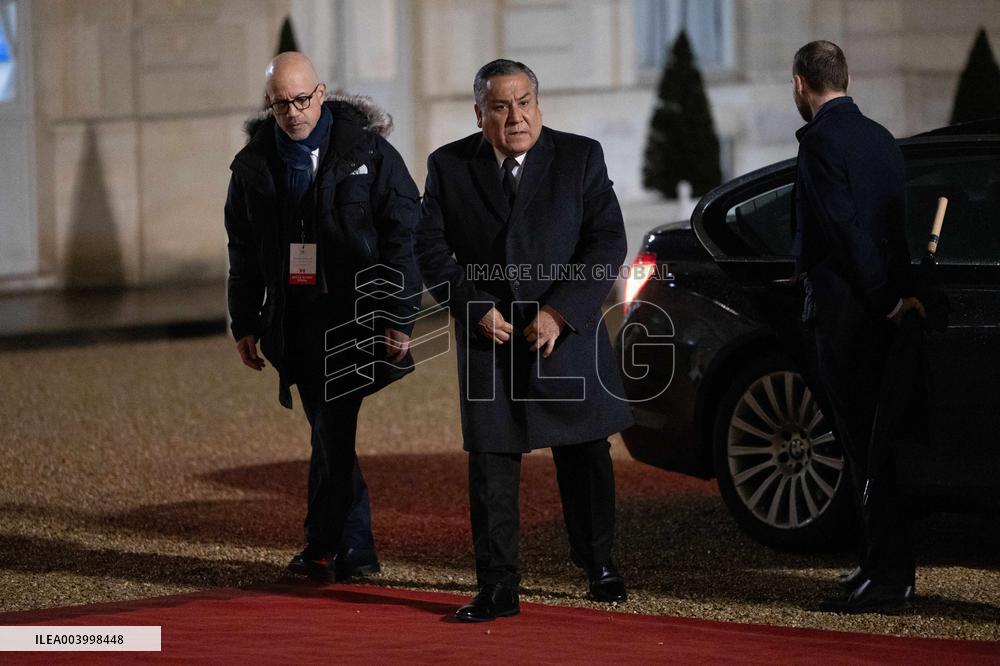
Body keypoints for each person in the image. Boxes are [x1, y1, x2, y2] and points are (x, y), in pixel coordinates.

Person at [416, 59, 634, 622]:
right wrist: (472, 306)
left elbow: (607, 240)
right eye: (500, 106)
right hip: (490, 338)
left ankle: (599, 565)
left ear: (538, 103)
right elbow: (431, 251)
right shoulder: (448, 166)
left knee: (585, 454)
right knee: (491, 463)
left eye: (525, 102)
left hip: (565, 334)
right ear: (480, 113)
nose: (515, 117)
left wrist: (562, 312)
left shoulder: (580, 156)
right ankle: (497, 586)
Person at [224, 52, 421, 583]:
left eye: (302, 99)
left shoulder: (371, 154)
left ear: (322, 91)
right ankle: (353, 546)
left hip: (355, 316)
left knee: (333, 428)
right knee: (329, 433)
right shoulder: (253, 166)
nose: (292, 112)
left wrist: (399, 314)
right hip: (295, 319)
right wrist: (245, 320)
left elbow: (405, 237)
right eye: (280, 103)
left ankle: (323, 545)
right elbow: (242, 249)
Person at [790, 41, 924, 614]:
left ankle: (889, 576)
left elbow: (844, 230)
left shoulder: (820, 141)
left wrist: (882, 298)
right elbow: (893, 227)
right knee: (875, 444)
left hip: (850, 315)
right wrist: (898, 297)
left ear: (801, 84)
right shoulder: (881, 138)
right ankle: (878, 566)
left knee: (864, 448)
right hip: (884, 314)